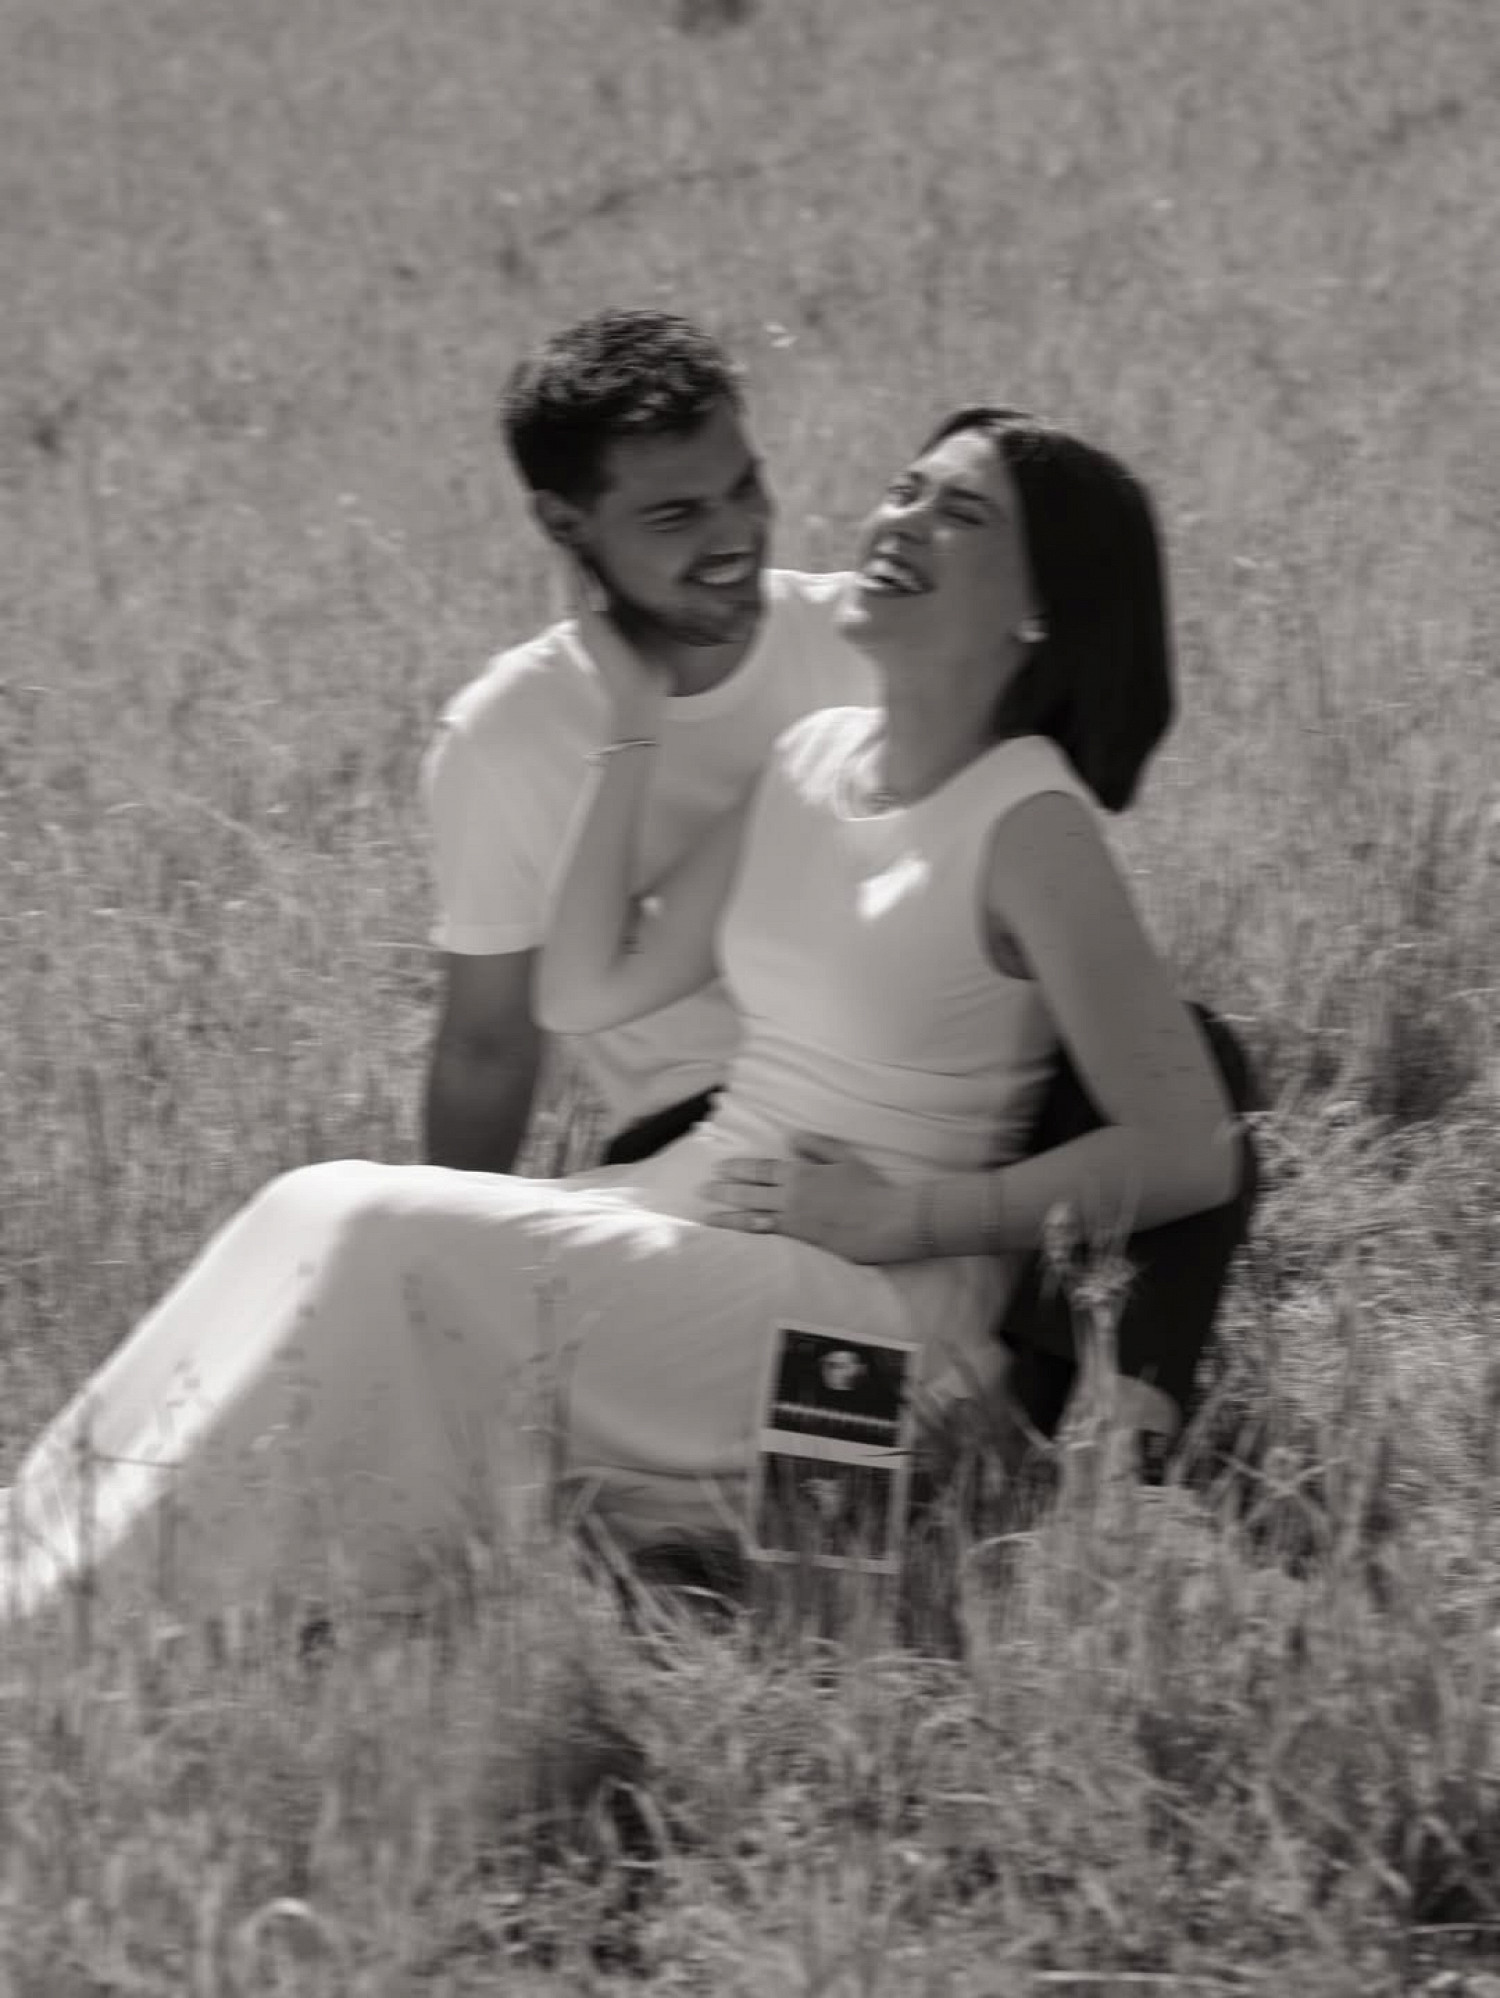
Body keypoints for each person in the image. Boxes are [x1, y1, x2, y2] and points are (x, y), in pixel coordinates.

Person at [0, 406, 1245, 1633]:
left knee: (385, 1234)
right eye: (905, 488)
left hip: (869, 1325)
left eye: (960, 511)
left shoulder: (1032, 824)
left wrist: (911, 1218)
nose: (903, 518)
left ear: (1040, 611)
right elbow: (585, 988)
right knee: (306, 1207)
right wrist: (632, 719)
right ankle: (51, 1565)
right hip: (700, 1211)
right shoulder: (813, 756)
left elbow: (1189, 1148)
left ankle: (108, 1630)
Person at [423, 308, 1258, 1460]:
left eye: (744, 487)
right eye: (675, 515)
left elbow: (1025, 908)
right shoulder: (517, 736)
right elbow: (508, 1032)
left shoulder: (872, 647)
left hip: (911, 1133)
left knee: (1189, 1057)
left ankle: (1109, 1427)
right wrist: (632, 722)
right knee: (391, 1262)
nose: (734, 534)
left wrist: (912, 1217)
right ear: (569, 528)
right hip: (706, 1127)